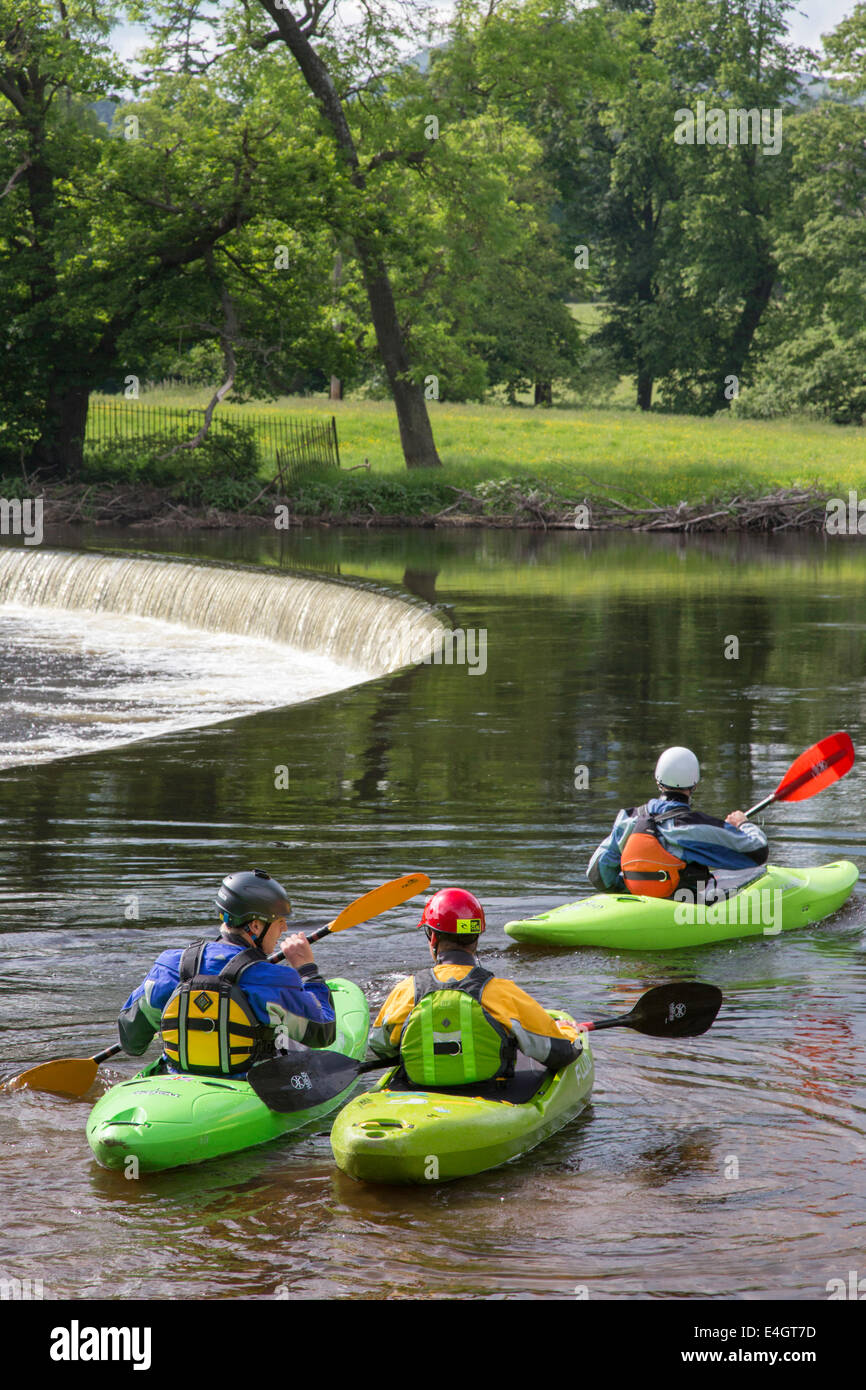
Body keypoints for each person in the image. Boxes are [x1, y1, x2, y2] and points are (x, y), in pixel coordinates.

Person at [117, 869, 336, 1076]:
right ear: (256, 927)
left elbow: (132, 1042)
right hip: (249, 1087)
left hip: (179, 1081)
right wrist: (307, 970)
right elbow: (323, 1031)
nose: (284, 929)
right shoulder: (274, 979)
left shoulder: (169, 966)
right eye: (279, 921)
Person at [369, 887, 583, 1088]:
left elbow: (380, 1046)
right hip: (492, 1095)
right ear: (476, 937)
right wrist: (567, 1030)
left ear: (433, 937)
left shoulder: (406, 990)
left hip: (420, 1094)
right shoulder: (502, 993)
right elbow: (561, 1053)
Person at [587, 746, 769, 900]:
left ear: (658, 781)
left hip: (638, 904)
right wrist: (743, 824)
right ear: (694, 785)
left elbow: (597, 874)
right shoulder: (695, 826)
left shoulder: (627, 819)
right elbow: (757, 851)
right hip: (681, 909)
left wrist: (630, 893)